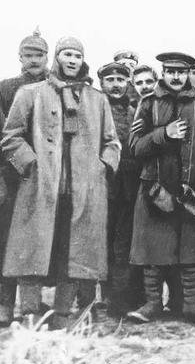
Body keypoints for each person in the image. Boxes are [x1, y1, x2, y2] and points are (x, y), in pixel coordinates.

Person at [0, 36, 121, 329]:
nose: (72, 60)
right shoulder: (31, 93)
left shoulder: (97, 99)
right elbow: (10, 137)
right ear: (57, 57)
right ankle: (28, 313)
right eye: (66, 54)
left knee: (74, 252)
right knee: (32, 250)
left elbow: (112, 142)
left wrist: (101, 167)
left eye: (77, 56)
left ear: (82, 60)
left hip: (82, 192)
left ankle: (63, 314)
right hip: (40, 188)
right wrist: (29, 163)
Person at [127, 51, 195, 325]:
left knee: (192, 250)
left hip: (192, 190)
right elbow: (135, 147)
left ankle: (193, 305)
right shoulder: (148, 103)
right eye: (171, 72)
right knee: (153, 252)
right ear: (164, 73)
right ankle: (152, 304)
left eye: (181, 72)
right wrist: (163, 134)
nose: (176, 77)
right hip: (154, 190)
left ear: (189, 74)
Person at [0, 28, 50, 325]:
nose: (33, 60)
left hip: (46, 178)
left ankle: (33, 303)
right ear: (19, 57)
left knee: (37, 241)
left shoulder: (54, 87)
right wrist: (21, 164)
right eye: (28, 54)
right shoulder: (6, 88)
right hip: (12, 175)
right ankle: (5, 304)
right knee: (6, 240)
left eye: (39, 54)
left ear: (47, 57)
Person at [98, 62, 144, 317]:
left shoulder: (135, 111)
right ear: (102, 83)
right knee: (101, 241)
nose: (116, 84)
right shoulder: (94, 109)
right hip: (101, 185)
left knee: (123, 243)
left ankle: (121, 298)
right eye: (110, 80)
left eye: (120, 79)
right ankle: (102, 296)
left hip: (129, 186)